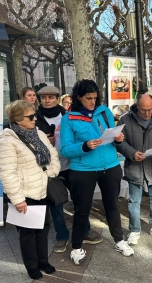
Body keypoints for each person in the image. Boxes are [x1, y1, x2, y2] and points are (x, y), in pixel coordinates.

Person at [60, 79, 134, 264]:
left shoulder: (104, 111)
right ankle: (76, 247)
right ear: (79, 98)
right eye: (88, 98)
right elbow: (65, 150)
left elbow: (114, 136)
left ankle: (119, 241)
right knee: (82, 209)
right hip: (82, 169)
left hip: (110, 166)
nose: (92, 102)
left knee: (112, 206)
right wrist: (84, 146)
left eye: (95, 98)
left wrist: (119, 138)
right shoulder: (68, 118)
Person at [0, 100, 60, 279]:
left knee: (43, 228)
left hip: (42, 189)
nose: (35, 119)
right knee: (27, 232)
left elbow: (52, 154)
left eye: (35, 115)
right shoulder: (6, 141)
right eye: (30, 116)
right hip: (24, 193)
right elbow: (7, 173)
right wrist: (18, 199)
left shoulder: (39, 133)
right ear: (17, 120)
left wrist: (52, 171)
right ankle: (32, 266)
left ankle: (43, 261)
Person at [35, 85, 102, 253]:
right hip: (49, 168)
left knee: (80, 201)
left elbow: (79, 137)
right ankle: (62, 236)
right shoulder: (35, 118)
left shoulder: (68, 115)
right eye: (44, 98)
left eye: (51, 97)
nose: (47, 100)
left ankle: (84, 232)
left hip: (71, 164)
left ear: (58, 99)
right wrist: (43, 143)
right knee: (56, 204)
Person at [117, 94, 152, 245]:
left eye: (150, 110)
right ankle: (134, 229)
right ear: (137, 107)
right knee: (134, 201)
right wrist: (131, 153)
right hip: (135, 166)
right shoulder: (125, 119)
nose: (147, 113)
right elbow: (120, 142)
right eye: (143, 110)